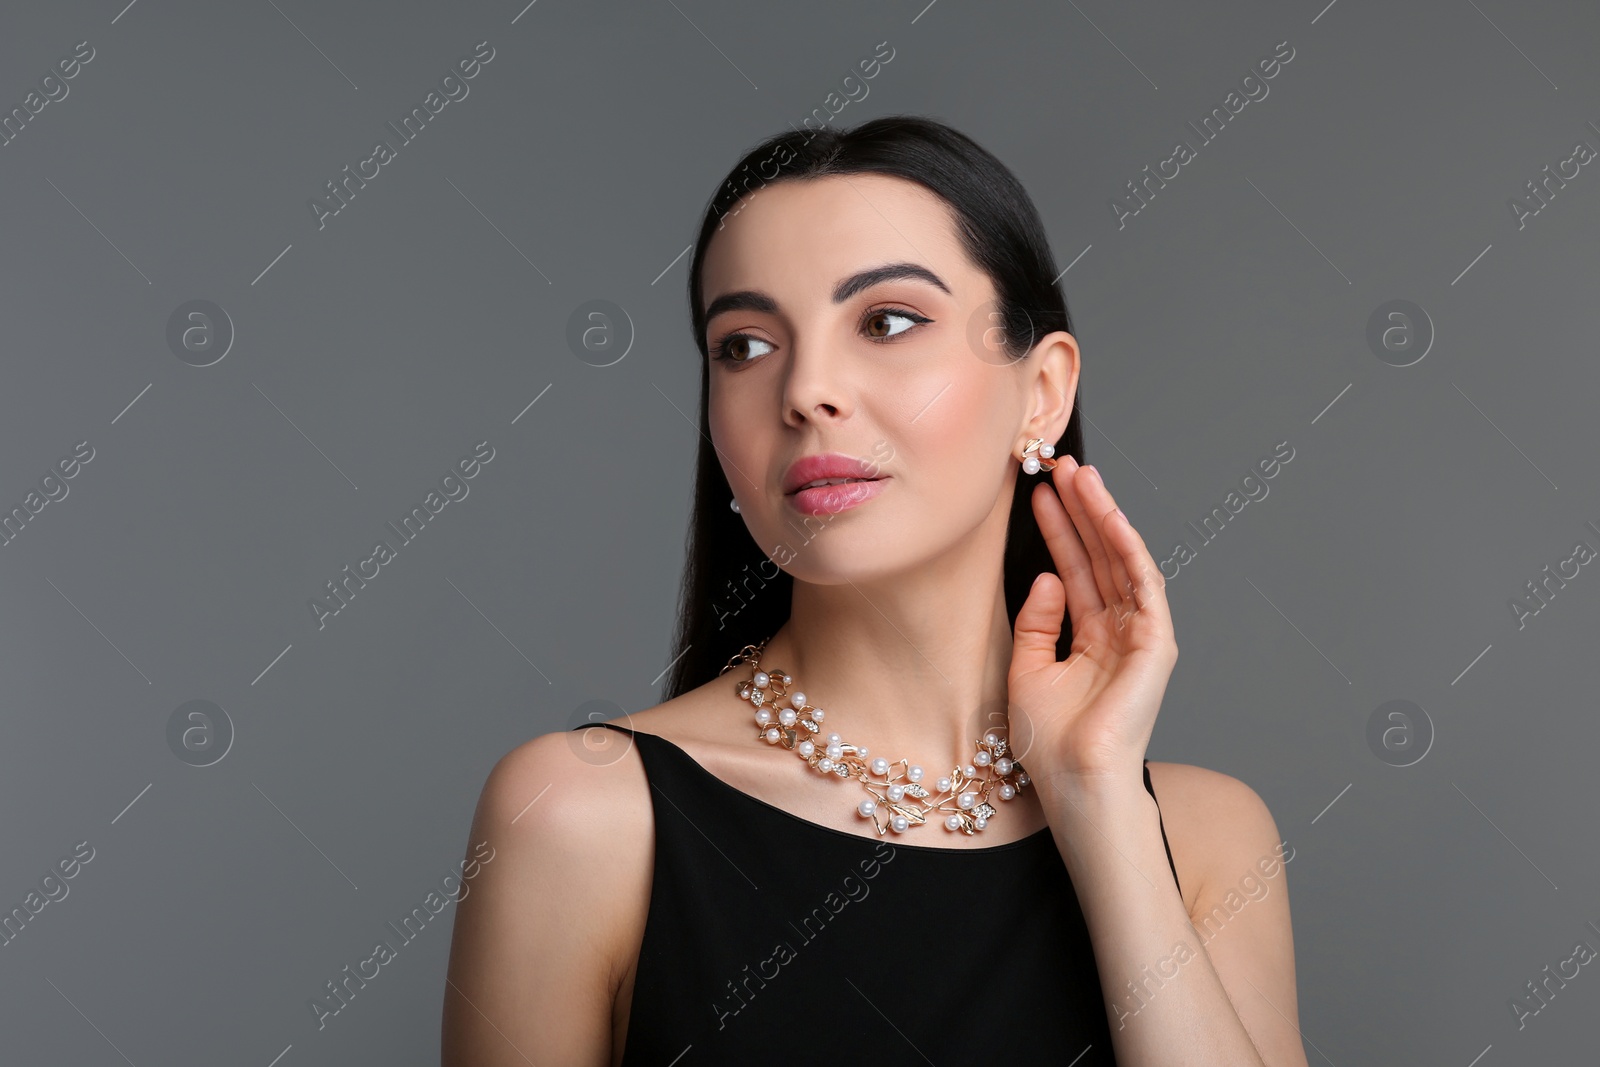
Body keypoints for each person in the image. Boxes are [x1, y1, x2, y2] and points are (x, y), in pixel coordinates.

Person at [441, 115, 1308, 1066]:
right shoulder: (582, 815)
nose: (807, 388)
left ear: (1043, 392)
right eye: (744, 344)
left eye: (887, 321)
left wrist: (1099, 801)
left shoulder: (1208, 837)